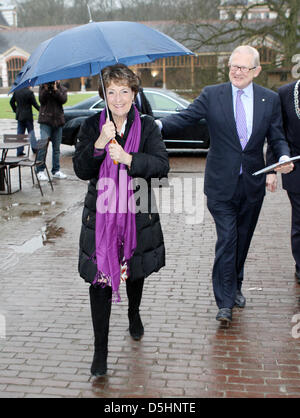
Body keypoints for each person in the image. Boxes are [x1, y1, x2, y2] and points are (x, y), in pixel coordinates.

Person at [157, 45, 293, 323]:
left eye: (243, 67)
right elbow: (185, 118)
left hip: (252, 185)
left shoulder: (269, 100)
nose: (237, 72)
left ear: (256, 71)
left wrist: (282, 155)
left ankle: (236, 285)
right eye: (233, 66)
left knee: (242, 240)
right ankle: (225, 301)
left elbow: (277, 137)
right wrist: (154, 126)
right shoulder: (212, 94)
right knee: (228, 238)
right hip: (220, 184)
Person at [72, 63, 169, 377]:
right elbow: (82, 170)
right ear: (104, 94)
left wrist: (129, 159)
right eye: (111, 92)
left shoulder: (148, 126)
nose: (117, 98)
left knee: (134, 270)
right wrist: (100, 144)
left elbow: (161, 166)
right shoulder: (91, 126)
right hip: (100, 215)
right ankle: (101, 350)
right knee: (100, 281)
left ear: (134, 93)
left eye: (124, 91)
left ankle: (133, 311)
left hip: (137, 209)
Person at [266, 80, 300, 285]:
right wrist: (271, 170)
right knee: (299, 220)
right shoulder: (286, 93)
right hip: (295, 167)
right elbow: (276, 134)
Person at [36, 80, 68, 181]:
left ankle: (56, 170)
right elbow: (41, 100)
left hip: (58, 121)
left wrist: (55, 90)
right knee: (43, 146)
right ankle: (40, 170)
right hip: (45, 121)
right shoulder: (42, 87)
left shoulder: (62, 89)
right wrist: (46, 89)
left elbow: (63, 100)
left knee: (56, 148)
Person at [9, 86, 40, 156]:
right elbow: (35, 104)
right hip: (28, 116)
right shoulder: (30, 92)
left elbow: (11, 102)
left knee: (20, 134)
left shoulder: (16, 92)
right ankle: (34, 149)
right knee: (31, 133)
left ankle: (19, 151)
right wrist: (41, 111)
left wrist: (16, 110)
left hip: (20, 116)